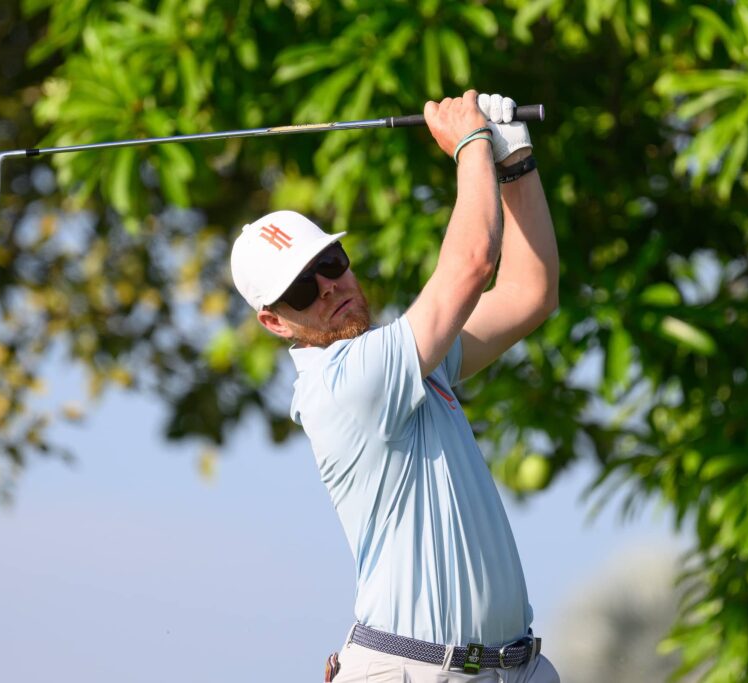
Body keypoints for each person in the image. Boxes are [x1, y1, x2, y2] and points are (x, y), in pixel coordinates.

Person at [230, 90, 560, 682]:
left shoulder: (410, 361)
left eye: (330, 262)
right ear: (275, 322)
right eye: (302, 290)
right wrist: (470, 145)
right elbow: (472, 266)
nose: (330, 287)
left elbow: (528, 295)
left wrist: (515, 166)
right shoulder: (345, 384)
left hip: (514, 670)